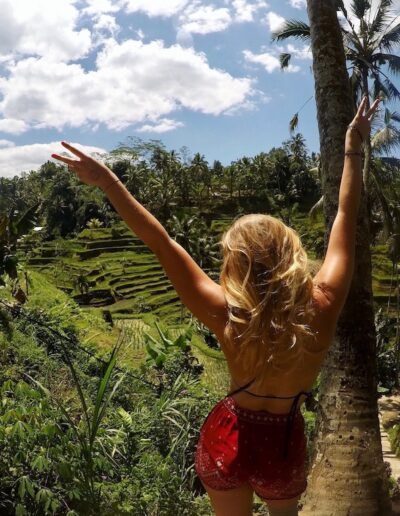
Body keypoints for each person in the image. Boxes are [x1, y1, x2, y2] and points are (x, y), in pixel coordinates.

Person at [51, 96, 380, 516]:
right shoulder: (323, 303)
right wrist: (353, 148)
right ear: (291, 254)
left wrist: (108, 182)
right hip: (283, 442)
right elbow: (345, 217)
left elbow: (161, 242)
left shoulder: (227, 313)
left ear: (235, 264)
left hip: (229, 437)